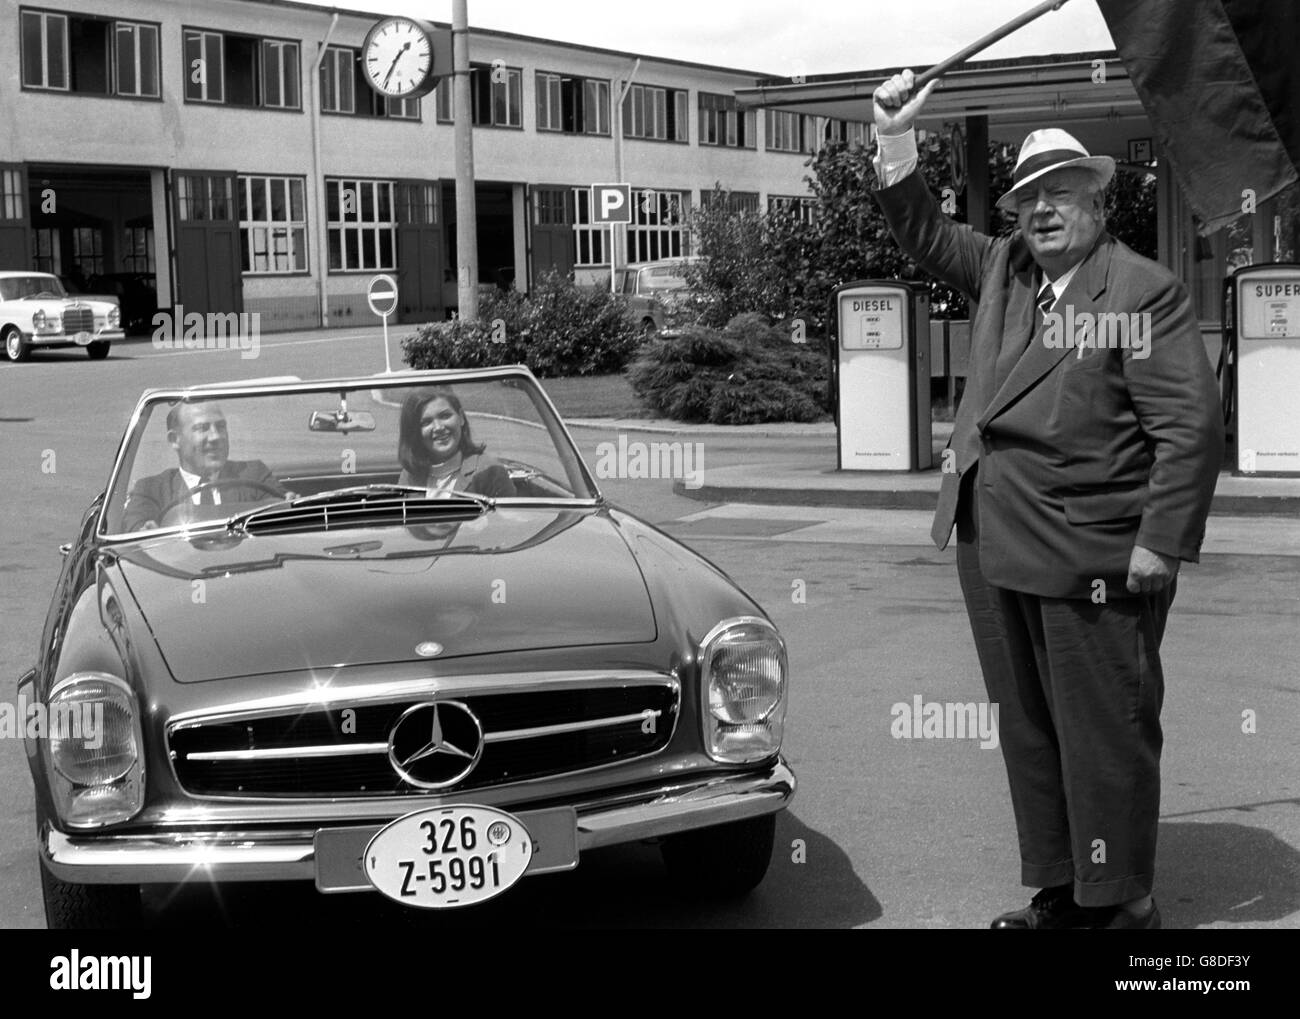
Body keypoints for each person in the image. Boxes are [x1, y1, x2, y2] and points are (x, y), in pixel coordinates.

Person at [872, 70, 1224, 929]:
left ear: (1098, 203)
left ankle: (1123, 903)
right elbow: (919, 228)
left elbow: (1191, 429)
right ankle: (1064, 886)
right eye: (1030, 196)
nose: (1042, 210)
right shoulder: (1004, 266)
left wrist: (1160, 542)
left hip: (1091, 552)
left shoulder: (1139, 291)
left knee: (1104, 734)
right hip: (990, 539)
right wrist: (891, 136)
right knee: (1030, 731)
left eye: (1062, 194)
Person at [121, 400, 287, 530]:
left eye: (220, 426)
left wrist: (287, 506)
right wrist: (146, 531)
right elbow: (136, 534)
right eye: (202, 428)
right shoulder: (151, 490)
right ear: (174, 439)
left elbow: (282, 515)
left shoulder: (254, 474)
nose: (215, 437)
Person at [396, 389, 516, 498]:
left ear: (461, 418)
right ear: (415, 432)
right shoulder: (409, 475)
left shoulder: (490, 471)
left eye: (445, 416)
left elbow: (509, 520)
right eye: (426, 422)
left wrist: (482, 521)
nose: (438, 427)